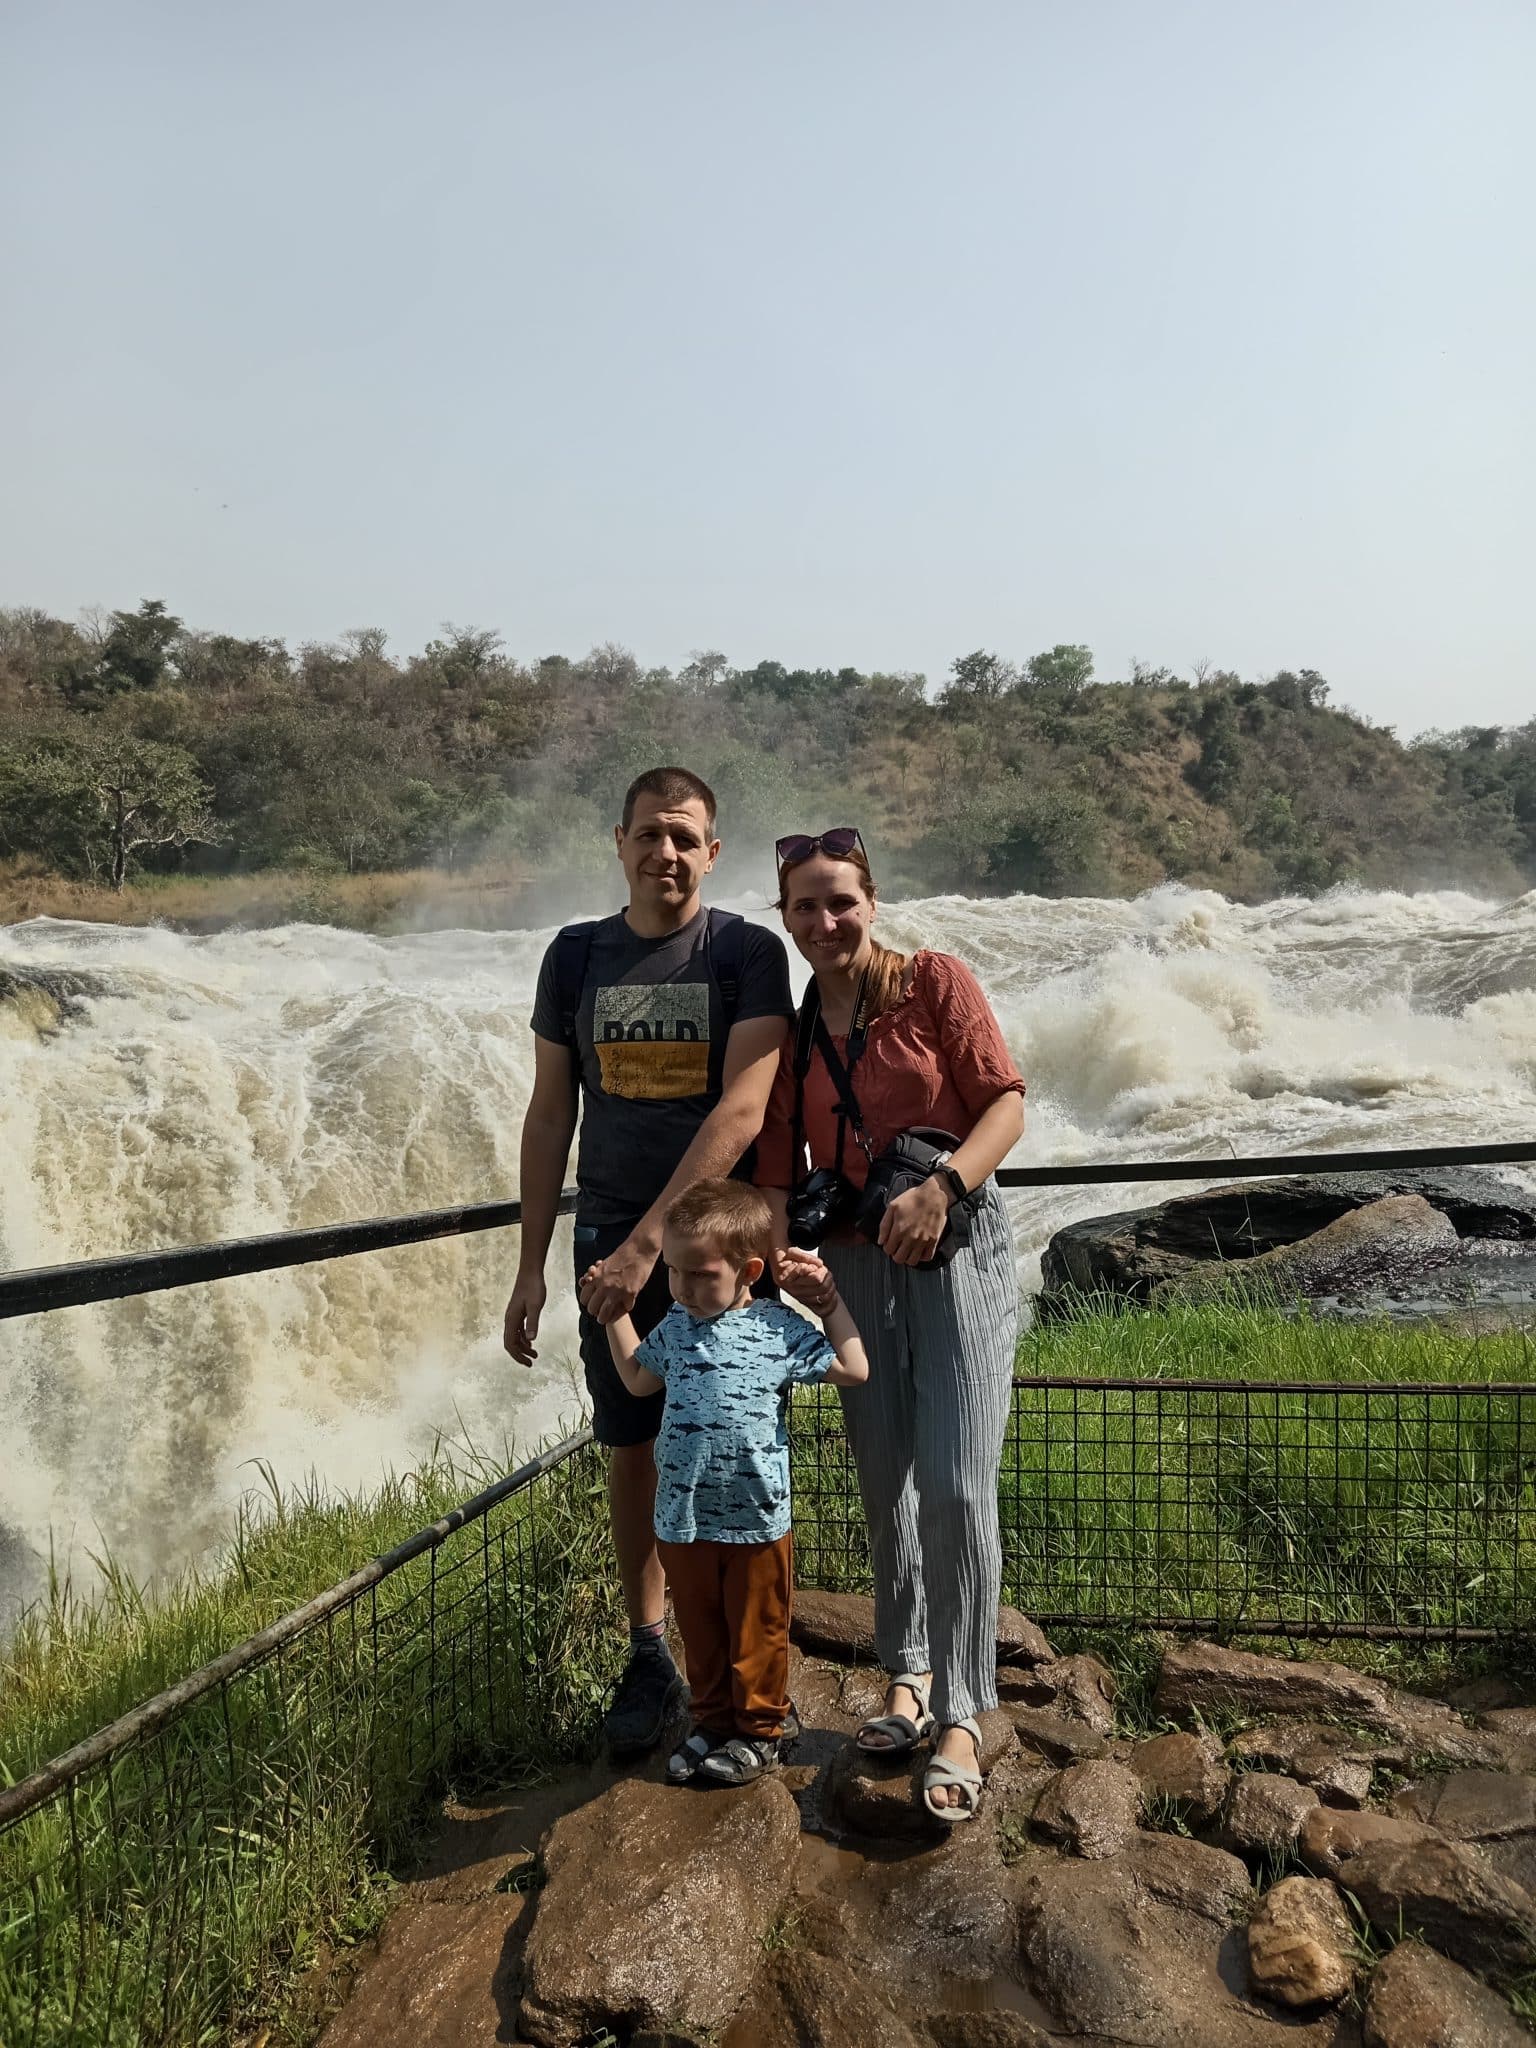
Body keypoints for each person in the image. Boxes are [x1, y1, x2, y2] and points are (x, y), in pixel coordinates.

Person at [503, 767, 795, 1759]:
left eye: (683, 837)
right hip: (604, 1244)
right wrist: (532, 1265)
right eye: (648, 834)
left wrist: (644, 1249)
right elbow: (551, 1112)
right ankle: (651, 1651)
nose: (664, 853)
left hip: (718, 1250)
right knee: (632, 1440)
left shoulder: (745, 954)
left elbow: (743, 1110)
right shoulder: (576, 956)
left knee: (738, 1436)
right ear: (619, 841)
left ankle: (749, 1666)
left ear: (711, 852)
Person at [754, 827, 1026, 1823]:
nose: (825, 921)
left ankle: (964, 1708)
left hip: (955, 1251)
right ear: (786, 917)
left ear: (871, 901)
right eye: (805, 905)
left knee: (955, 1481)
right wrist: (777, 1265)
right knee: (886, 1480)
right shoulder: (795, 1033)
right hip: (858, 1266)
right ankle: (907, 1670)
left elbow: (1005, 1104)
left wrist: (943, 1187)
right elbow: (776, 1170)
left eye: (841, 901)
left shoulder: (933, 983)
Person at [590, 1178, 868, 1786]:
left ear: (747, 1271)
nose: (682, 1287)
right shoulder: (675, 1326)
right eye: (674, 1272)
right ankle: (713, 1723)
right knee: (701, 1627)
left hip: (756, 1519)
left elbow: (854, 1367)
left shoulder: (778, 1328)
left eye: (699, 1274)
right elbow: (637, 1379)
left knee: (758, 1629)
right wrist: (615, 1315)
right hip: (683, 1516)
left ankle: (761, 1731)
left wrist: (829, 1305)